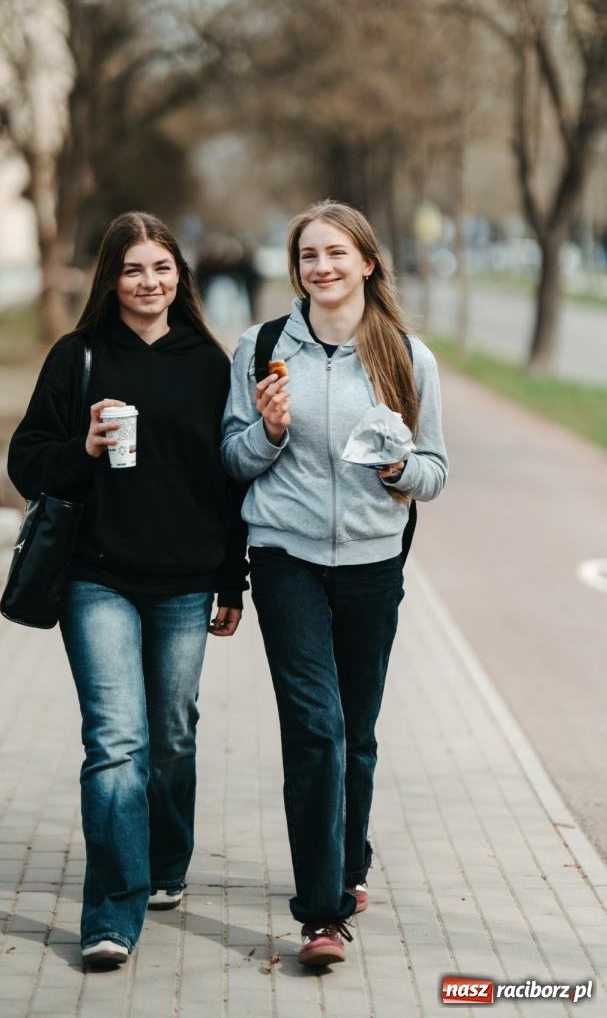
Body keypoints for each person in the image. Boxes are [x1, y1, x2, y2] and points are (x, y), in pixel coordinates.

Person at [7, 212, 246, 968]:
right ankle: (112, 913)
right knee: (115, 742)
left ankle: (166, 862)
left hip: (183, 580)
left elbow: (231, 483)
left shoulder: (210, 363)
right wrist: (81, 448)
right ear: (111, 279)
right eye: (134, 270)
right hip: (95, 577)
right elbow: (26, 461)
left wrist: (230, 580)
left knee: (171, 736)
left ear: (181, 275)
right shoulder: (77, 357)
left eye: (163, 268)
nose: (150, 282)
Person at [221, 200, 448, 967]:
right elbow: (231, 458)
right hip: (284, 559)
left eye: (335, 253)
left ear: (366, 262)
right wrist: (268, 432)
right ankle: (320, 916)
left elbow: (434, 471)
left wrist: (398, 468)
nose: (321, 266)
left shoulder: (406, 357)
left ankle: (348, 866)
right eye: (308, 255)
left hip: (372, 565)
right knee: (315, 731)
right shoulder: (258, 350)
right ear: (297, 270)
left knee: (356, 733)